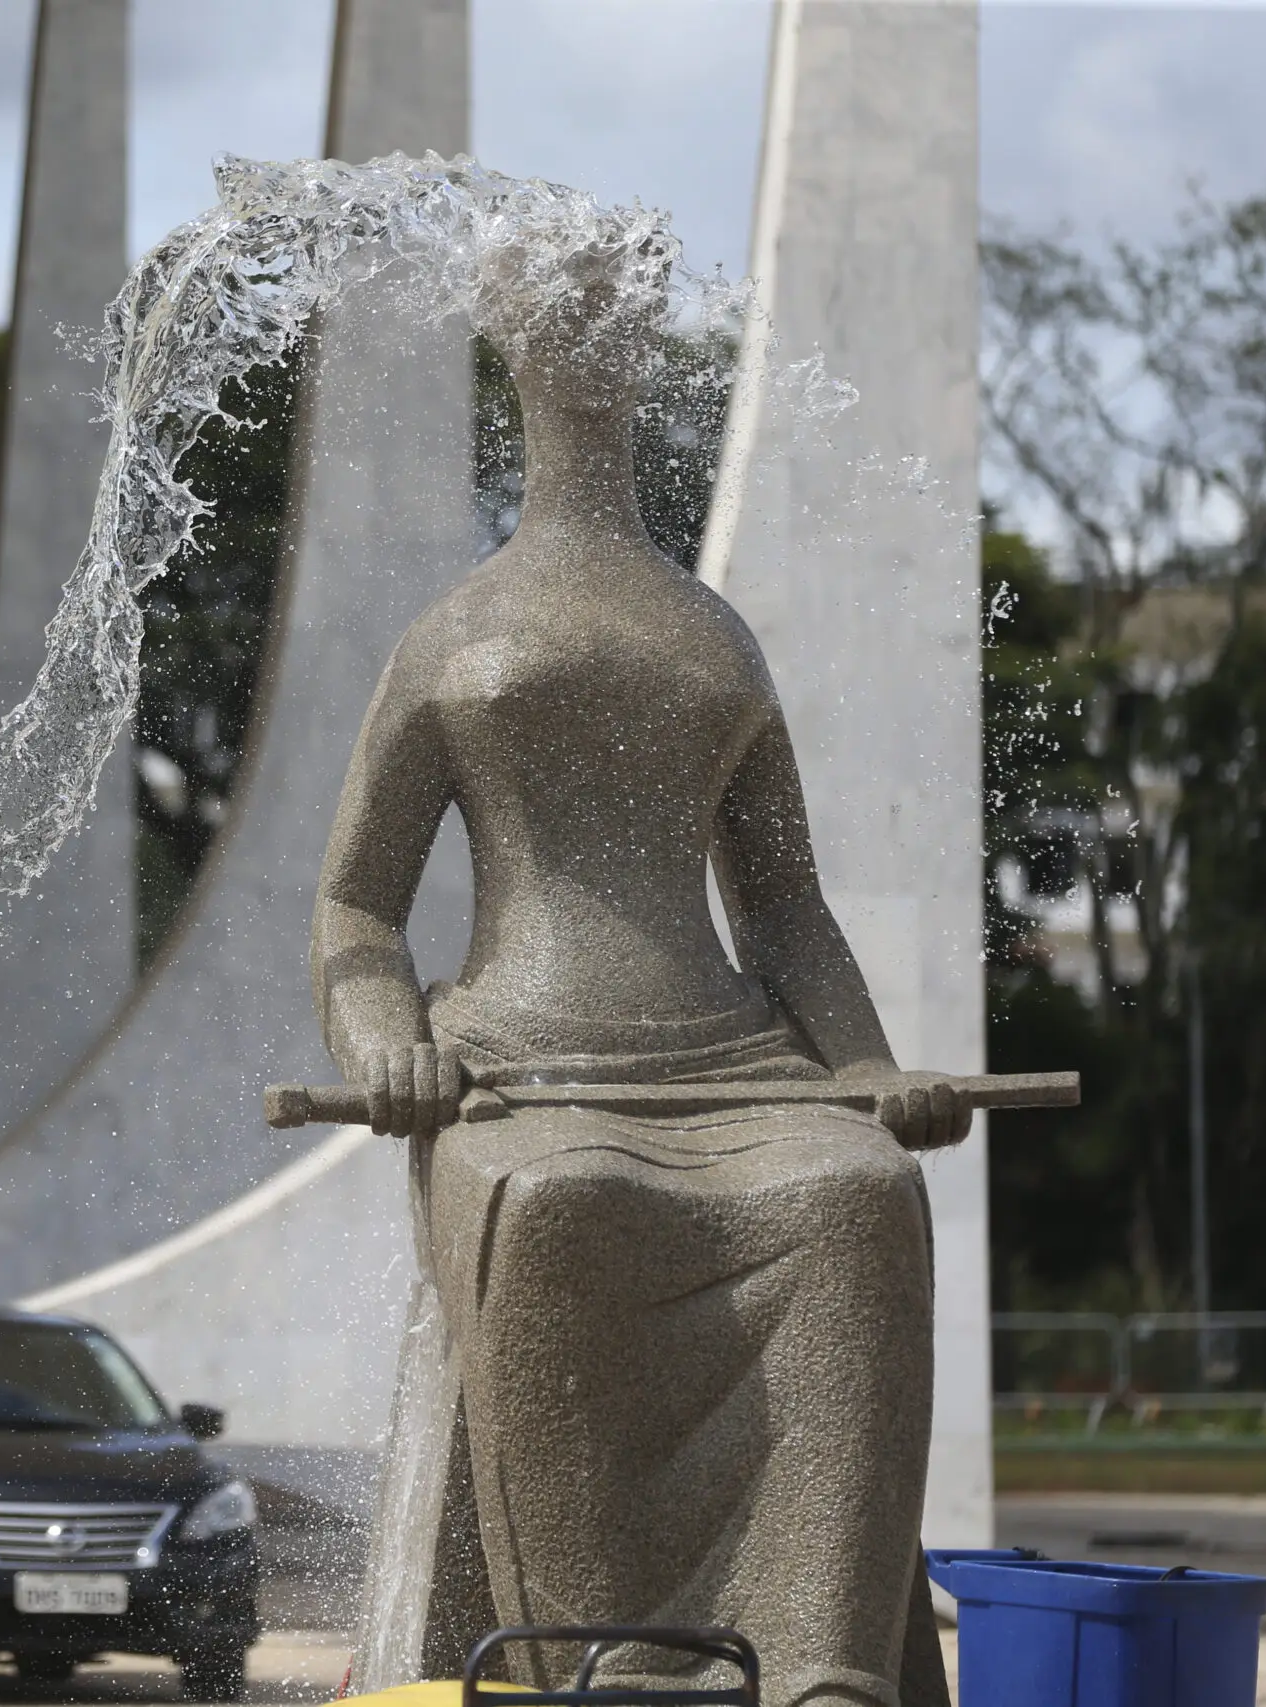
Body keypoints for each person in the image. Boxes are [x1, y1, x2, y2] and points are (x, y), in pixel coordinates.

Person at [321, 228, 958, 1706]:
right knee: (562, 1202)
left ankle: (820, 1663)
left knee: (864, 1196)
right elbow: (355, 907)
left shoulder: (712, 633)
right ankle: (604, 1662)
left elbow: (786, 908)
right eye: (565, 315)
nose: (595, 340)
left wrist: (862, 1068)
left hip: (734, 1060)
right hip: (520, 1072)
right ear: (515, 349)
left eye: (619, 314)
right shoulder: (453, 632)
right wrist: (386, 1040)